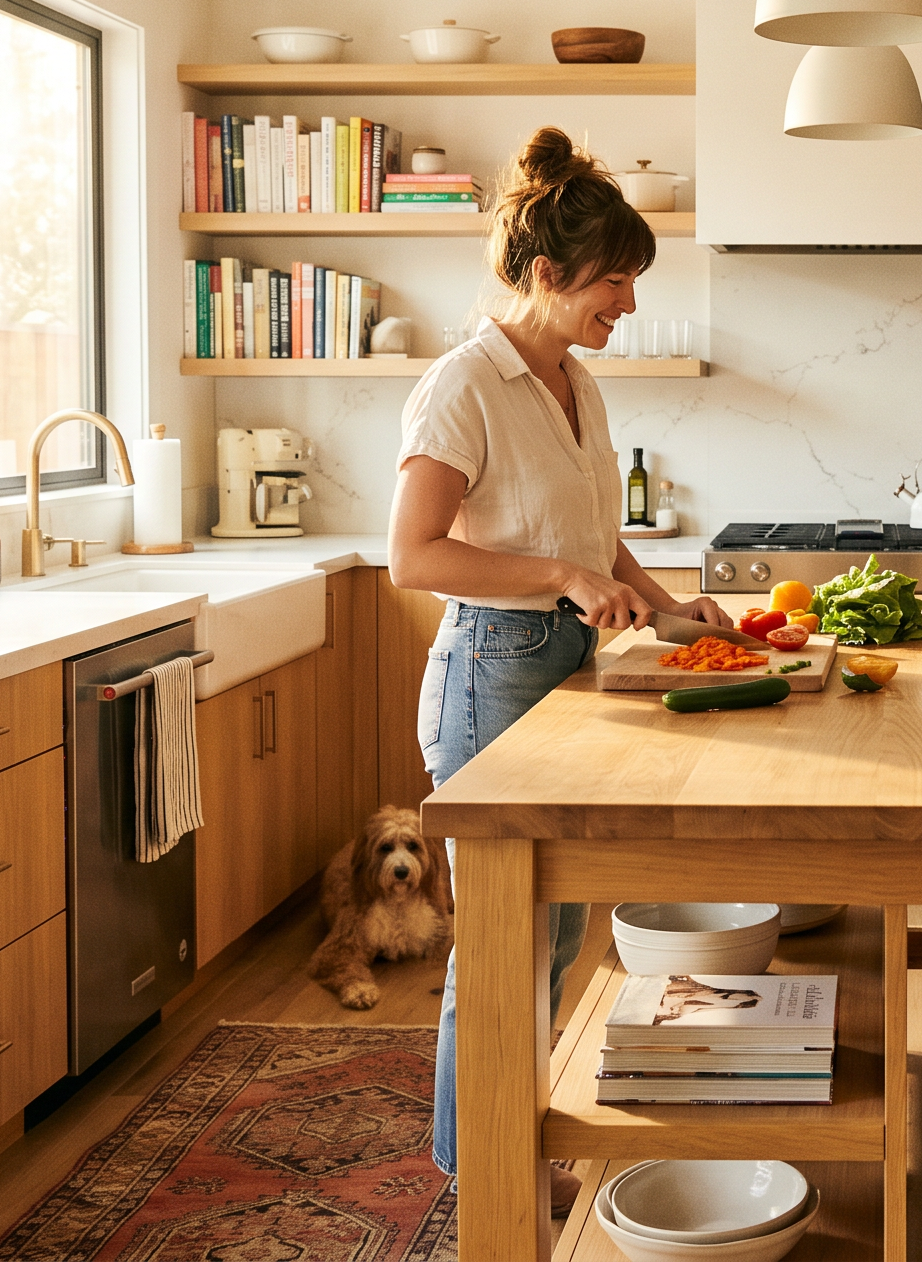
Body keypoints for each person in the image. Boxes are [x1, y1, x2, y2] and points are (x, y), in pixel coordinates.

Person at [388, 126, 735, 1209]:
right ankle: (483, 1174)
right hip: (491, 672)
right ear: (547, 274)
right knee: (502, 943)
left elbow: (594, 535)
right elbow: (414, 555)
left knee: (557, 930)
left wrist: (666, 603)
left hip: (558, 664)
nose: (625, 303)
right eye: (613, 281)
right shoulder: (464, 385)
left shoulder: (574, 383)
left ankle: (510, 1141)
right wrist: (559, 578)